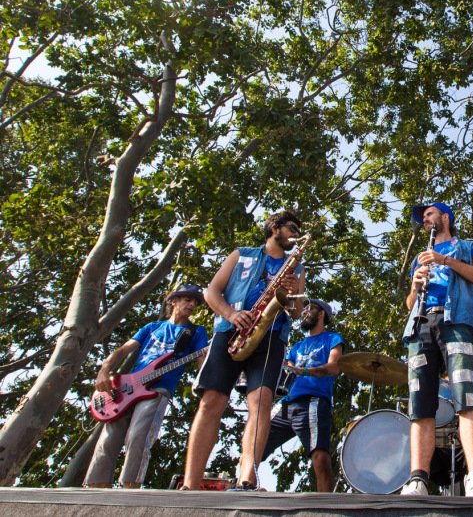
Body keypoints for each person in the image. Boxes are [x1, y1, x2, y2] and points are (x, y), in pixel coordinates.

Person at [183, 211, 307, 490]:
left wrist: (290, 295)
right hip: (231, 331)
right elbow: (211, 292)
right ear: (274, 227)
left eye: (298, 230)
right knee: (211, 400)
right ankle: (190, 484)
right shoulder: (241, 254)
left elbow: (297, 313)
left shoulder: (296, 266)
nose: (295, 233)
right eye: (291, 228)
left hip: (271, 336)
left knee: (262, 403)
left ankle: (247, 479)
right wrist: (230, 314)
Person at [400, 202, 473, 497]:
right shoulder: (420, 256)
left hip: (456, 320)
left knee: (466, 394)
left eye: (429, 214)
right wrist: (415, 286)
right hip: (420, 324)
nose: (425, 220)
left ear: (445, 217)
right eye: (423, 217)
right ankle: (418, 479)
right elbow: (409, 304)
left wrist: (446, 261)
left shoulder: (467, 246)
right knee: (419, 403)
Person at [85, 285, 208, 489]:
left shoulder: (196, 332)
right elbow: (123, 350)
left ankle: (130, 488)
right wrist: (104, 370)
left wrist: (205, 385)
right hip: (127, 387)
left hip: (158, 389)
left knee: (139, 436)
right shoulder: (152, 327)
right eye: (188, 299)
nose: (192, 304)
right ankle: (96, 487)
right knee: (109, 437)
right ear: (173, 301)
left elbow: (201, 358)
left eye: (195, 302)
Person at [259, 299, 343, 492]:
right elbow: (288, 370)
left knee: (320, 458)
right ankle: (248, 486)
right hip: (286, 403)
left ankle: (327, 508)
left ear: (321, 314)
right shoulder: (297, 346)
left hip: (313, 401)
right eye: (303, 308)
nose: (304, 312)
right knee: (253, 445)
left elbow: (333, 367)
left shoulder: (332, 338)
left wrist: (303, 371)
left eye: (309, 308)